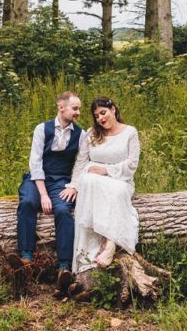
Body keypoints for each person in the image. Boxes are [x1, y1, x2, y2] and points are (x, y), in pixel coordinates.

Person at [61, 96, 140, 273]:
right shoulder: (92, 133)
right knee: (89, 180)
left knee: (113, 190)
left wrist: (105, 170)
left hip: (121, 181)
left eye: (103, 113)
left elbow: (132, 164)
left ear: (113, 109)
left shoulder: (130, 132)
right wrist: (74, 185)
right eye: (96, 116)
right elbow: (81, 162)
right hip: (94, 183)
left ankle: (110, 243)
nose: (100, 119)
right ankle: (90, 253)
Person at [16, 91, 83, 274]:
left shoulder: (80, 134)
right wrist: (43, 195)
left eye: (79, 109)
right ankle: (26, 255)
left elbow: (83, 163)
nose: (78, 113)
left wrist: (74, 185)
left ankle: (64, 266)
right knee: (28, 202)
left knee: (62, 210)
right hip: (37, 178)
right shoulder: (42, 129)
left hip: (62, 180)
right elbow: (35, 163)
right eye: (75, 108)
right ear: (61, 107)